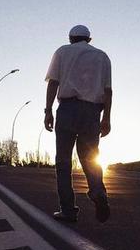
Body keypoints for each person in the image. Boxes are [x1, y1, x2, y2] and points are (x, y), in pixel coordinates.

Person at [44, 25, 112, 223]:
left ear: (70, 38)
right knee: (90, 158)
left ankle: (68, 210)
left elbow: (53, 83)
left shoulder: (62, 52)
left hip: (67, 109)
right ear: (89, 39)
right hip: (92, 112)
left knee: (63, 162)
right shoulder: (102, 56)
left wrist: (48, 111)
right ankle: (98, 193)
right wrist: (106, 118)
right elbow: (108, 91)